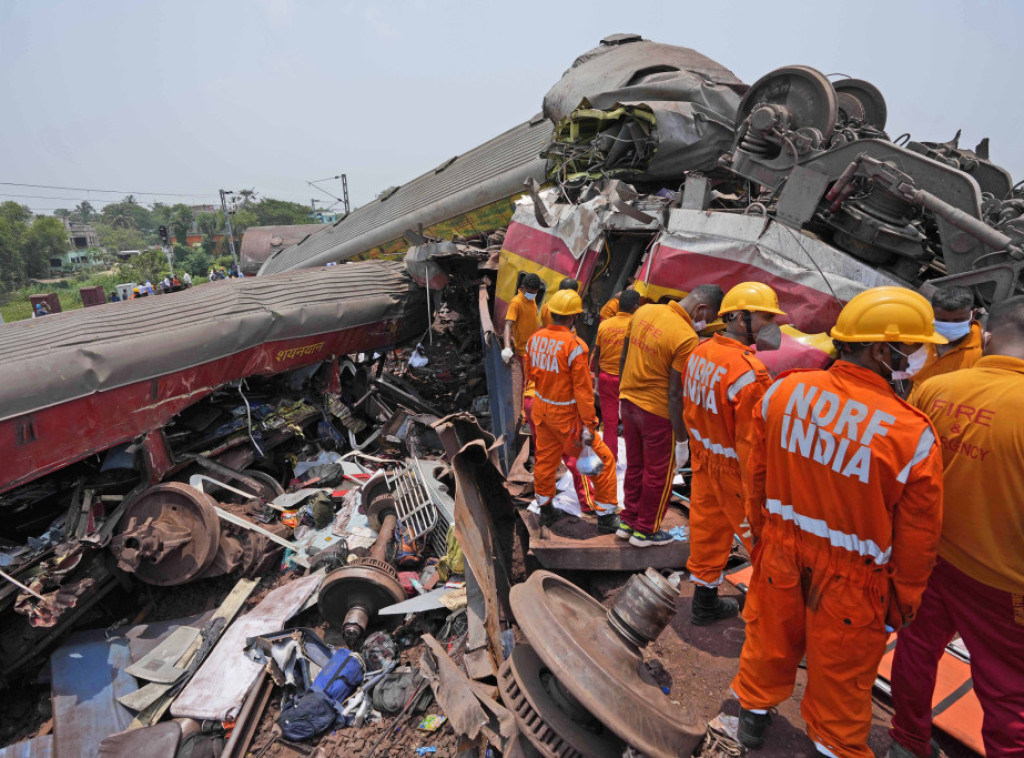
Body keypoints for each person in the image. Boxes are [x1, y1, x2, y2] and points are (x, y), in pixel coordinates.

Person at [731, 286, 946, 758]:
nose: (918, 357)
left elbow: (756, 475)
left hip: (780, 553)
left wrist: (763, 536)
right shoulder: (911, 434)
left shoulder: (783, 392)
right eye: (912, 348)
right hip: (854, 580)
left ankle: (751, 723)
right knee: (841, 686)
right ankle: (829, 748)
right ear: (880, 349)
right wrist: (902, 604)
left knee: (767, 645)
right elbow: (918, 540)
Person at [889, 300, 1024, 758]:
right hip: (1003, 581)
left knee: (916, 648)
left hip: (930, 555)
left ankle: (905, 741)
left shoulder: (935, 388)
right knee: (1007, 690)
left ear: (985, 337)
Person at [683, 282, 782, 625]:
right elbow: (753, 445)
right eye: (767, 316)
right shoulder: (749, 374)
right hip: (733, 471)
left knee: (707, 528)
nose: (774, 326)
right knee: (765, 545)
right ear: (740, 319)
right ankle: (766, 626)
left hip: (704, 458)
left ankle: (704, 602)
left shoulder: (700, 352)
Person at [616, 284, 723, 546]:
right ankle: (645, 531)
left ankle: (627, 522)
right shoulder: (686, 338)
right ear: (701, 308)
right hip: (657, 414)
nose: (704, 324)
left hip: (629, 404)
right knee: (659, 474)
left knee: (635, 466)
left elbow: (623, 356)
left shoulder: (643, 311)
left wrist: (623, 392)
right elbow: (676, 394)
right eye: (707, 319)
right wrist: (682, 440)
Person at [525, 290, 620, 533]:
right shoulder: (575, 346)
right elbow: (583, 391)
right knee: (604, 461)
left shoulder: (534, 339)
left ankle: (545, 508)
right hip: (566, 418)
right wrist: (589, 424)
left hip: (541, 410)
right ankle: (606, 516)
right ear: (573, 318)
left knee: (545, 462)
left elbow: (531, 375)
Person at [591, 288, 641, 461]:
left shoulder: (605, 325)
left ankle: (610, 458)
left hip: (606, 379)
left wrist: (597, 378)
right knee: (632, 422)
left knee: (610, 422)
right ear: (636, 307)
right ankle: (633, 460)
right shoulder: (637, 327)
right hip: (628, 380)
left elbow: (597, 354)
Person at [909, 285, 983, 386]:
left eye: (958, 320)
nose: (950, 326)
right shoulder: (924, 335)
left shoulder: (983, 349)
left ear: (973, 315)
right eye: (943, 320)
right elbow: (913, 377)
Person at [502, 273, 542, 432]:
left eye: (535, 291)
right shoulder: (516, 302)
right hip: (524, 351)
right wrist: (506, 347)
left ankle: (527, 414)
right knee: (526, 385)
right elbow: (508, 325)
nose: (533, 293)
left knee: (531, 383)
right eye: (530, 290)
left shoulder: (531, 300)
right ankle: (523, 418)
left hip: (534, 350)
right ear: (523, 288)